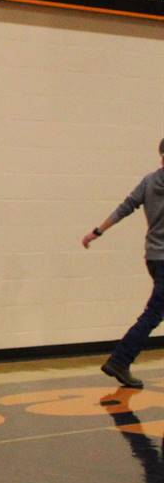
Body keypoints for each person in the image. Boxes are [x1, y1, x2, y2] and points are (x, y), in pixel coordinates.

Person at [80, 140, 164, 389]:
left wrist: (97, 231)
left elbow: (125, 207)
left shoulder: (149, 181)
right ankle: (120, 359)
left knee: (157, 310)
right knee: (154, 313)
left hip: (153, 257)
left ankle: (121, 359)